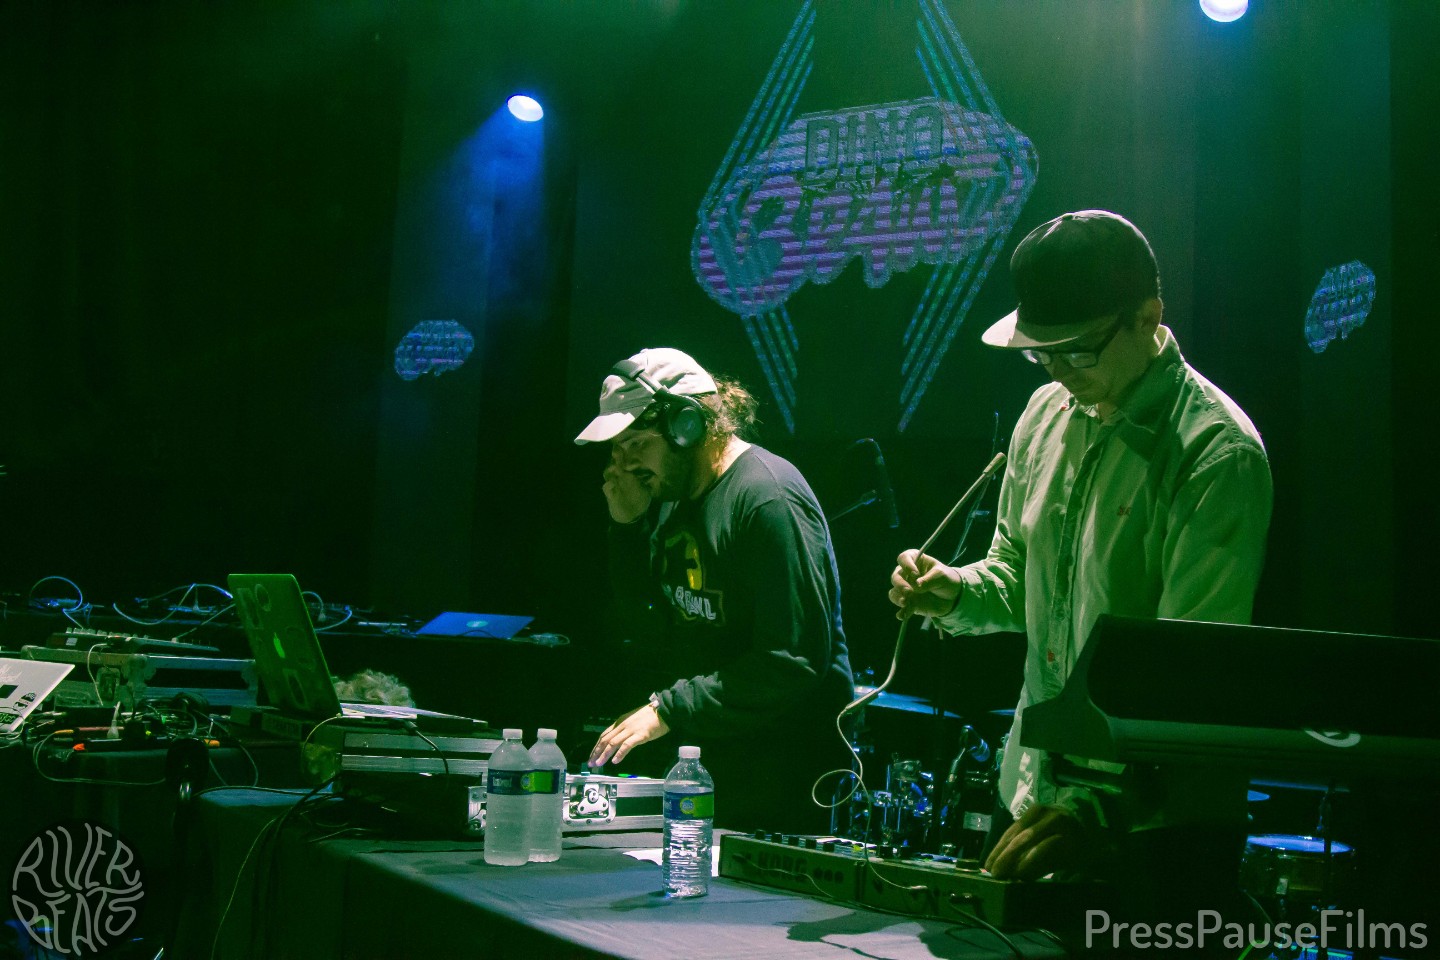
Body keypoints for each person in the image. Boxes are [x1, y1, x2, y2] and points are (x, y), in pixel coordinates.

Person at [888, 211, 1273, 926]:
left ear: (1148, 317)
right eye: (1042, 355)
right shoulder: (1043, 414)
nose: (1059, 372)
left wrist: (1092, 809)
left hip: (1154, 826)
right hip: (1036, 794)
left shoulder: (1215, 453)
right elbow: (1017, 575)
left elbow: (1190, 682)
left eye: (1077, 351)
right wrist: (955, 592)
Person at [577, 347, 854, 834]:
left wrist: (670, 708)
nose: (622, 463)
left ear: (687, 426)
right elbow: (646, 628)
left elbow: (793, 659)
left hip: (781, 776)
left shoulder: (767, 498)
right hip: (713, 762)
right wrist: (625, 527)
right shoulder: (672, 495)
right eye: (616, 449)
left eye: (634, 444)